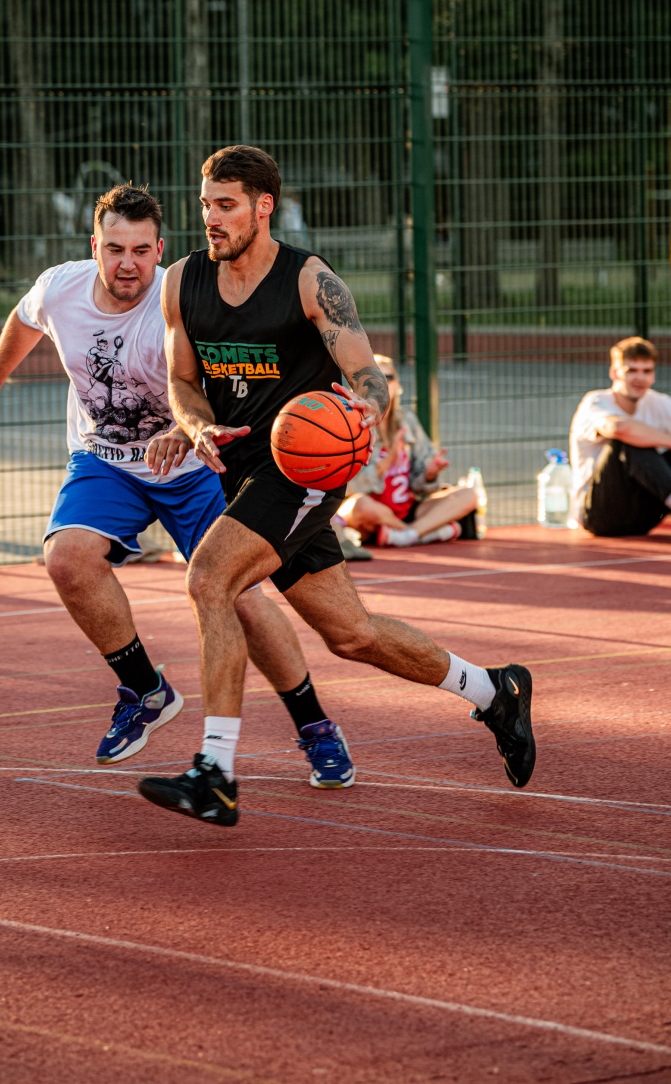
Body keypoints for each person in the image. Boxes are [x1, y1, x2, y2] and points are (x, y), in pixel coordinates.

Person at [138, 145, 535, 827]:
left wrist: (367, 407)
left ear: (263, 207)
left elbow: (367, 374)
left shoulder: (308, 280)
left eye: (226, 205)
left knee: (209, 580)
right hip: (242, 473)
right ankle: (494, 691)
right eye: (206, 205)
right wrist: (196, 424)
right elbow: (182, 380)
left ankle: (215, 773)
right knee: (351, 635)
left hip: (303, 471)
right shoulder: (183, 282)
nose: (211, 218)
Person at [0, 183, 357, 788]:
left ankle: (315, 726)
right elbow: (23, 319)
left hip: (193, 468)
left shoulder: (182, 297)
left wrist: (186, 427)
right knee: (67, 559)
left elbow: (209, 385)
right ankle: (145, 689)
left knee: (242, 601)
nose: (128, 264)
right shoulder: (60, 287)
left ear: (160, 250)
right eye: (115, 249)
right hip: (106, 459)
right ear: (94, 246)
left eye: (142, 251)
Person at [336, 353, 478, 548]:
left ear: (397, 384)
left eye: (388, 378)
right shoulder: (350, 424)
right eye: (374, 379)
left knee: (468, 494)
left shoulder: (406, 421)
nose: (382, 385)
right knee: (361, 505)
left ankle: (407, 534)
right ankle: (421, 533)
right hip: (370, 511)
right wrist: (387, 461)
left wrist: (429, 474)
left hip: (407, 509)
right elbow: (348, 488)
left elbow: (422, 488)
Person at [569, 336, 671, 536]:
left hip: (643, 516)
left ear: (653, 376)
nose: (640, 378)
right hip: (599, 514)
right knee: (628, 443)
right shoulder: (595, 402)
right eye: (631, 370)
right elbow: (619, 428)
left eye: (646, 371)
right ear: (614, 372)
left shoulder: (657, 402)